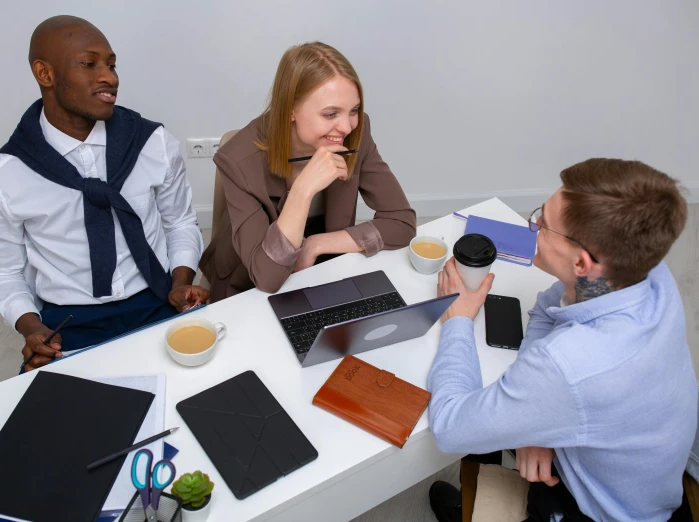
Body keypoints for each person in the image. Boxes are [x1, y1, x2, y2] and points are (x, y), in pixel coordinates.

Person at [427, 159, 696, 521]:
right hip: (646, 475)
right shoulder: (648, 272)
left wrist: (458, 319)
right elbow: (546, 307)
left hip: (599, 511)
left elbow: (448, 428)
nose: (531, 227)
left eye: (543, 224)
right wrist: (538, 420)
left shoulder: (571, 364)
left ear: (583, 264)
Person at [0, 16, 208, 371]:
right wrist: (32, 326)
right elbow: (4, 272)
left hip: (158, 298)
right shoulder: (4, 176)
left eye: (112, 65)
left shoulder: (152, 143)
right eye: (89, 64)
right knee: (67, 422)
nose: (110, 77)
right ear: (44, 74)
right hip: (68, 321)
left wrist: (180, 280)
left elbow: (180, 223)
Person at [198, 42, 416, 301]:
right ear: (290, 109)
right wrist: (303, 189)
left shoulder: (356, 133)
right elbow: (267, 277)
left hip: (320, 271)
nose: (346, 127)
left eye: (354, 111)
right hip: (248, 283)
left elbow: (401, 222)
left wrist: (317, 244)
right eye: (331, 113)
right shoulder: (236, 159)